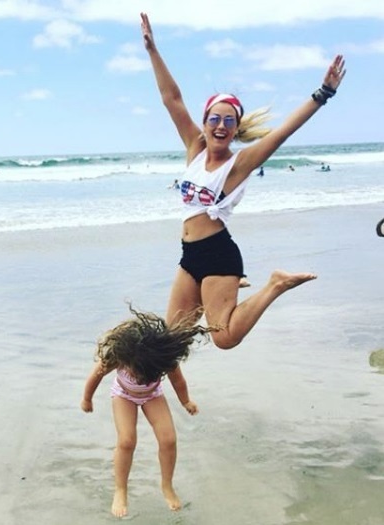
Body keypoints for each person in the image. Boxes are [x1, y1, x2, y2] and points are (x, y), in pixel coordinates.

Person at [140, 12, 346, 350]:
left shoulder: (239, 164)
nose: (221, 126)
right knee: (171, 341)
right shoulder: (194, 148)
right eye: (215, 119)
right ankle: (158, 385)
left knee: (224, 338)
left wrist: (323, 92)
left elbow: (283, 132)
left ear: (236, 128)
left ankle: (275, 285)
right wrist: (152, 50)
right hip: (189, 254)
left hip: (218, 254)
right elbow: (172, 99)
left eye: (228, 121)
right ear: (205, 122)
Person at [81, 306, 214, 517]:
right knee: (126, 441)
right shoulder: (119, 356)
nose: (139, 376)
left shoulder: (162, 359)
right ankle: (121, 489)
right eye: (136, 372)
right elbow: (95, 376)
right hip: (123, 396)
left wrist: (186, 401)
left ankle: (167, 485)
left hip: (153, 396)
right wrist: (87, 399)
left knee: (168, 439)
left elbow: (178, 381)